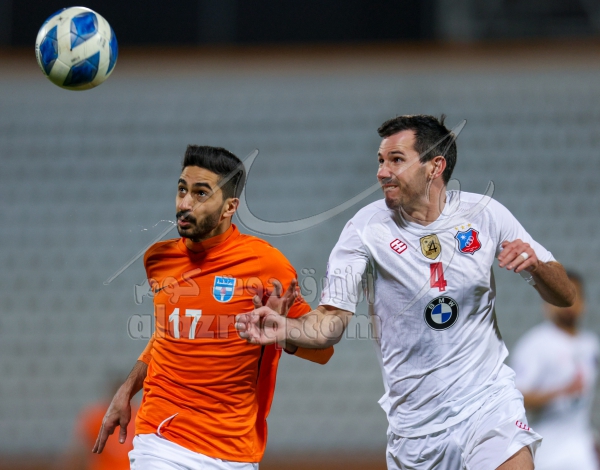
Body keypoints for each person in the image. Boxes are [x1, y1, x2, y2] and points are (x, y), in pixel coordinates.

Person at [236, 114, 576, 470]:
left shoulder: (485, 215)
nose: (382, 172)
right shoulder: (365, 230)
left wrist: (536, 267)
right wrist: (287, 328)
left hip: (488, 403)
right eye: (380, 161)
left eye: (396, 160)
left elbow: (565, 296)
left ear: (435, 167)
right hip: (416, 428)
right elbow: (331, 322)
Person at [92, 145, 333, 470]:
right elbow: (167, 335)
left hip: (233, 449)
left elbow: (323, 351)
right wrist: (127, 389)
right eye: (182, 190)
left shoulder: (266, 264)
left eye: (201, 193)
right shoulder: (159, 259)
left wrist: (283, 332)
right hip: (161, 437)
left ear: (229, 207)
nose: (185, 203)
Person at [511, 271, 599, 470]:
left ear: (583, 302)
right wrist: (560, 392)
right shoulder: (535, 344)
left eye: (573, 295)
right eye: (558, 295)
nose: (568, 303)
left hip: (581, 449)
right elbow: (517, 398)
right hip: (547, 449)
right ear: (547, 303)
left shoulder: (590, 345)